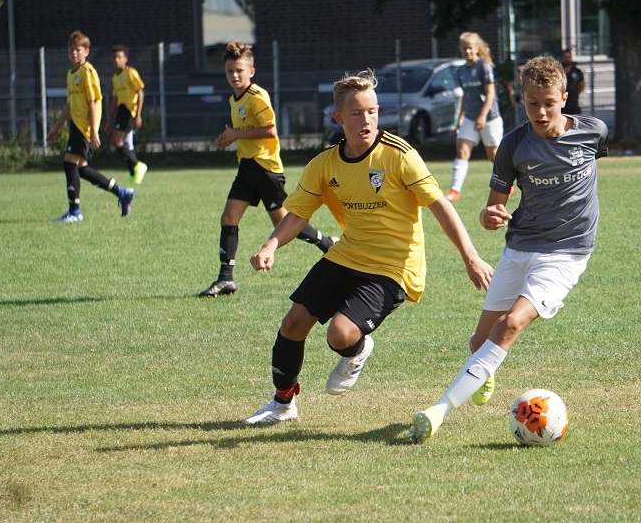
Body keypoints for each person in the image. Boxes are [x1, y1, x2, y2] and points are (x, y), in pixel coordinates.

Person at [243, 69, 494, 425]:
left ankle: (357, 349)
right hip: (347, 254)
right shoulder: (324, 164)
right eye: (357, 113)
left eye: (373, 111)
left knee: (340, 335)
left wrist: (471, 257)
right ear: (338, 117)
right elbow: (297, 214)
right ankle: (282, 404)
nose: (367, 120)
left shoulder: (399, 155)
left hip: (393, 266)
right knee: (293, 324)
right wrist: (270, 245)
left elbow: (440, 205)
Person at [409, 55, 607, 443]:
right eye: (532, 103)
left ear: (564, 99)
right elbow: (494, 206)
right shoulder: (513, 145)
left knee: (511, 324)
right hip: (520, 246)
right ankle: (484, 368)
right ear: (521, 99)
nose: (541, 111)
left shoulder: (593, 132)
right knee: (479, 343)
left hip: (567, 252)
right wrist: (489, 216)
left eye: (549, 103)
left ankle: (438, 410)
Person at [198, 41, 337, 297]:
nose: (235, 75)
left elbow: (270, 130)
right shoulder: (234, 99)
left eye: (239, 70)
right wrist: (229, 138)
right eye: (230, 71)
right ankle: (226, 279)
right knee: (228, 218)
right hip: (247, 167)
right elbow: (244, 131)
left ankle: (326, 242)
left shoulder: (256, 96)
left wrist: (236, 134)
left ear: (251, 72)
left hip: (265, 169)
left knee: (285, 224)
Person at [47, 31, 135, 223]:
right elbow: (70, 104)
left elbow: (94, 102)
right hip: (76, 125)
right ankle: (122, 193)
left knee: (69, 163)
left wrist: (94, 130)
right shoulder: (71, 74)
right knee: (81, 169)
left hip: (84, 127)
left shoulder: (87, 72)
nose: (74, 53)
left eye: (78, 49)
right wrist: (56, 127)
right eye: (71, 49)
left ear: (86, 51)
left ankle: (75, 212)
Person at [445, 32, 503, 202]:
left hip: (489, 117)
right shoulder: (461, 70)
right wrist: (461, 117)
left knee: (493, 155)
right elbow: (466, 95)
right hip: (470, 117)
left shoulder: (484, 67)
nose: (467, 51)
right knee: (461, 150)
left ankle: (507, 184)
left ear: (477, 48)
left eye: (470, 48)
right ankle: (454, 191)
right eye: (464, 48)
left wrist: (483, 115)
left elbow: (490, 93)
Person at [106, 45, 149, 184]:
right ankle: (133, 173)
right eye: (114, 57)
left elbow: (140, 92)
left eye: (119, 57)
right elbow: (115, 99)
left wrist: (138, 114)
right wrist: (109, 119)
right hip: (121, 110)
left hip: (129, 111)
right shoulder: (115, 77)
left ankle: (137, 165)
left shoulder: (130, 73)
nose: (116, 60)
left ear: (125, 59)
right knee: (126, 144)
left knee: (116, 141)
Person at [560, 47, 585, 115]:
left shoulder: (577, 72)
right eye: (565, 57)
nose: (567, 59)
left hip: (574, 106)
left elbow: (582, 85)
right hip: (561, 106)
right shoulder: (558, 72)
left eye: (568, 57)